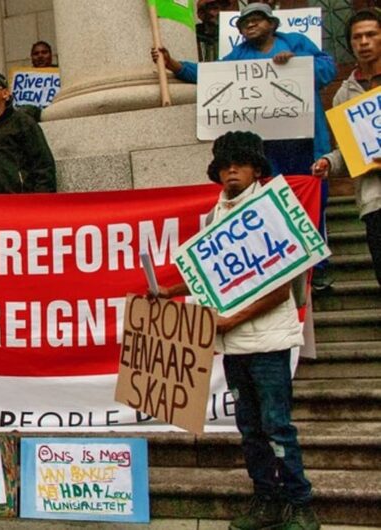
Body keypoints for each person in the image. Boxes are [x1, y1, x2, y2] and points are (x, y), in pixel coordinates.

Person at [153, 131, 318, 530]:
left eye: (240, 163)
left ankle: (300, 505)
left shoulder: (271, 211)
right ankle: (266, 500)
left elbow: (279, 290)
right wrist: (169, 291)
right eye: (225, 163)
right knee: (249, 430)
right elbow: (210, 277)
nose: (231, 169)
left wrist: (229, 321)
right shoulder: (215, 216)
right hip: (235, 343)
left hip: (269, 341)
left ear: (256, 169)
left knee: (277, 425)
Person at [152, 2, 337, 289]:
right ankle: (284, 266)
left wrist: (299, 65)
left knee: (313, 200)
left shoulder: (296, 43)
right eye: (244, 22)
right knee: (273, 206)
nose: (249, 25)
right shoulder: (239, 56)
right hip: (269, 148)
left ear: (272, 24)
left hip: (305, 142)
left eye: (257, 19)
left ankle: (318, 267)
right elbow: (211, 76)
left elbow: (327, 69)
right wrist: (175, 65)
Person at [313, 8, 381, 288]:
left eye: (371, 35)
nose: (363, 42)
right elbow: (349, 151)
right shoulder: (344, 94)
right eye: (357, 37)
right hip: (374, 201)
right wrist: (329, 162)